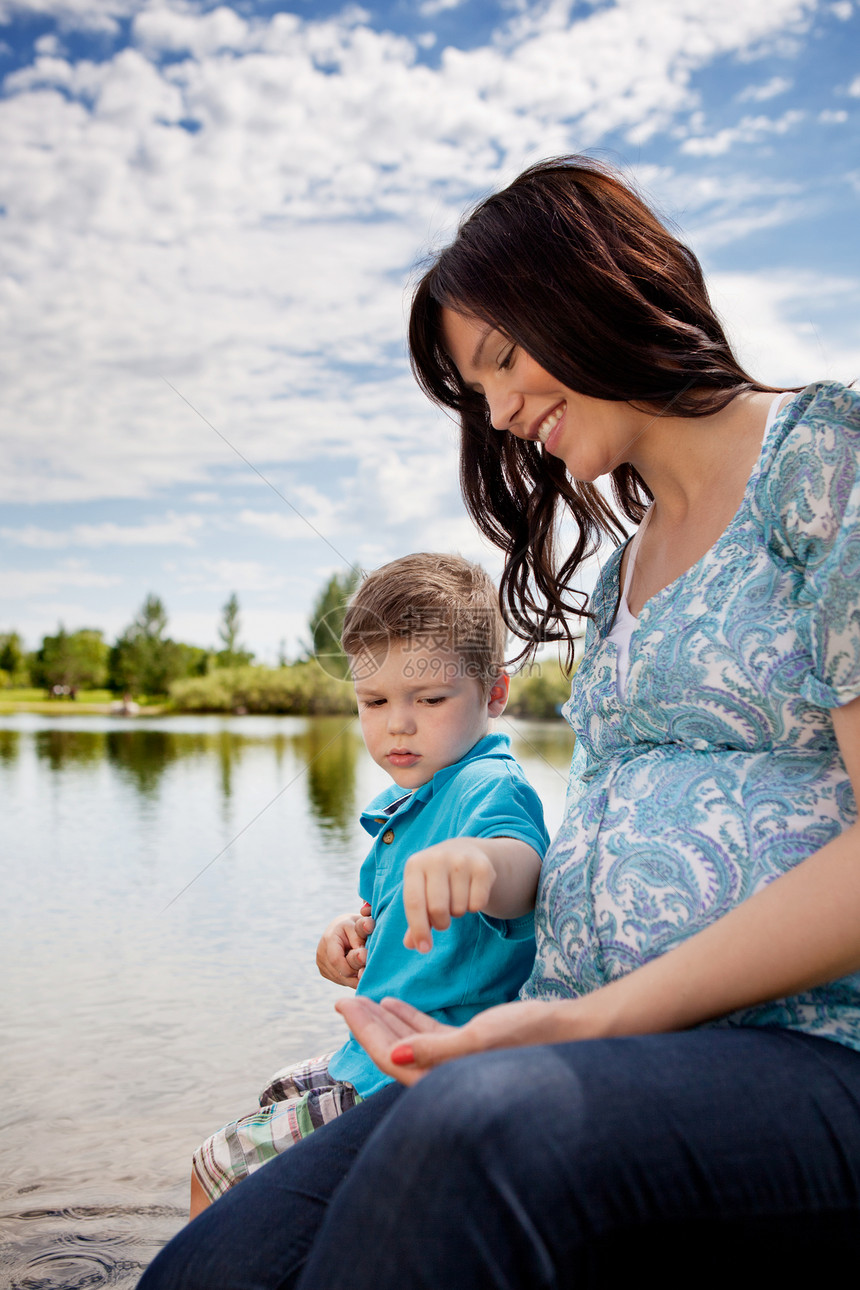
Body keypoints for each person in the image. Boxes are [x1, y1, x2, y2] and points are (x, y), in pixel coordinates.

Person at [139, 156, 860, 1288]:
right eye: (477, 394)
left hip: (815, 1053)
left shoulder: (822, 460)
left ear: (599, 286)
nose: (503, 414)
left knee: (479, 1136)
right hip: (582, 1039)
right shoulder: (615, 578)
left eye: (503, 361)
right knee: (217, 1261)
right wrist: (502, 924)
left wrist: (593, 1025)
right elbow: (601, 848)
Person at [188, 552, 547, 1218]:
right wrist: (349, 940)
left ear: (494, 694)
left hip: (427, 1064)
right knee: (276, 1093)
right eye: (374, 701)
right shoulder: (410, 801)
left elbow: (521, 873)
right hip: (373, 1048)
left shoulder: (486, 786)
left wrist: (484, 864)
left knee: (218, 1165)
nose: (397, 723)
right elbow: (393, 923)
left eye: (430, 699)